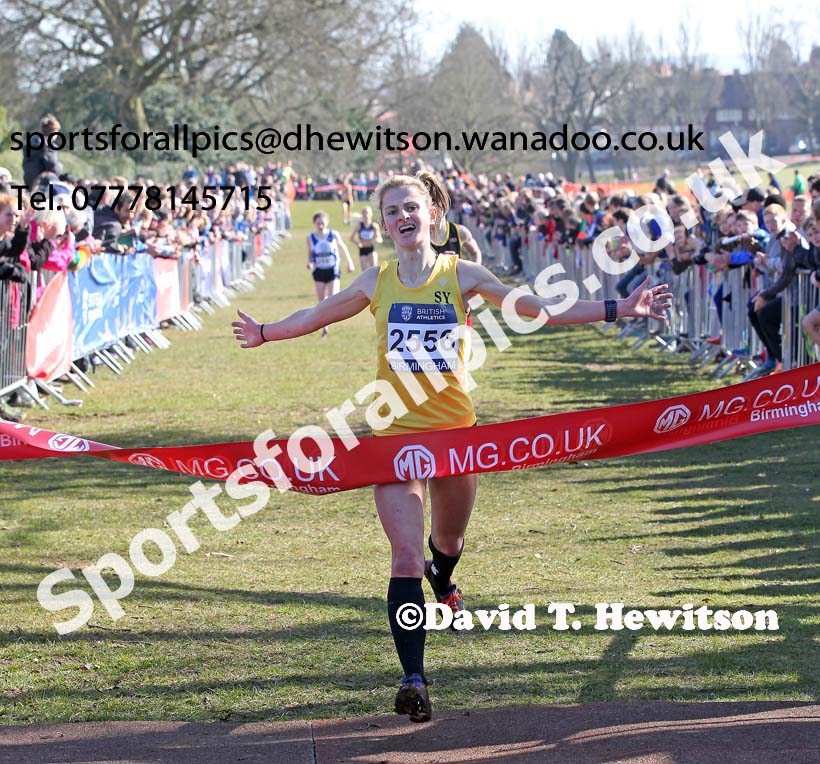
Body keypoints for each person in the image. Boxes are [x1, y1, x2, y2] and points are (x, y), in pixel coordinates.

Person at [231, 171, 671, 724]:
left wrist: (617, 308)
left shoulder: (462, 274)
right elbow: (315, 314)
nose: (403, 217)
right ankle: (413, 678)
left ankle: (443, 573)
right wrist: (266, 332)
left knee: (448, 540)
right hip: (394, 441)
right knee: (404, 556)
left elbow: (538, 306)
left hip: (456, 439)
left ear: (432, 214)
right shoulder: (376, 280)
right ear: (383, 223)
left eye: (411, 207)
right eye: (392, 211)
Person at [306, 211, 355, 336]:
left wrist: (350, 262)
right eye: (318, 223)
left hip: (333, 269)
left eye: (322, 223)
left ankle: (326, 321)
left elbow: (342, 247)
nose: (321, 226)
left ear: (327, 222)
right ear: (314, 223)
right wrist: (309, 262)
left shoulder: (333, 234)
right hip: (319, 271)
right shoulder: (310, 237)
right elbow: (310, 253)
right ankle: (325, 328)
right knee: (321, 301)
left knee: (332, 298)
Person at [350, 205, 383, 270]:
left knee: (374, 269)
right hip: (362, 249)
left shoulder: (374, 226)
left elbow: (380, 239)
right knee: (364, 271)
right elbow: (351, 238)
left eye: (367, 213)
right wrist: (358, 243)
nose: (365, 215)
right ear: (362, 214)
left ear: (371, 214)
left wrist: (376, 240)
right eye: (364, 213)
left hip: (371, 249)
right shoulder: (359, 226)